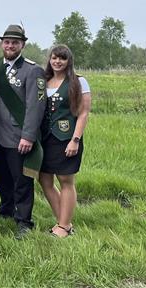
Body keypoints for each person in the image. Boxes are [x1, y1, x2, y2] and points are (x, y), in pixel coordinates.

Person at [0, 24, 46, 238]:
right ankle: (6, 207)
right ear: (1, 43)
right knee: (1, 176)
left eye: (15, 42)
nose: (10, 45)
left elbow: (35, 106)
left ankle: (24, 221)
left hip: (18, 136)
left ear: (23, 44)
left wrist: (28, 136)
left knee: (21, 180)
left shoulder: (32, 70)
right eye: (7, 42)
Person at [38, 44, 92, 238]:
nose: (57, 62)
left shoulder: (78, 82)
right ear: (49, 59)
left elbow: (83, 113)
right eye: (54, 58)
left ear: (69, 61)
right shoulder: (44, 80)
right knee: (44, 179)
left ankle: (64, 226)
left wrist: (75, 140)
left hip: (66, 137)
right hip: (45, 138)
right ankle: (64, 222)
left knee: (65, 180)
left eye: (62, 58)